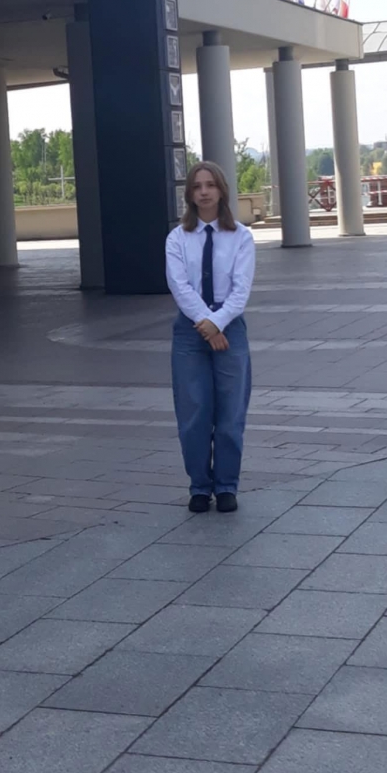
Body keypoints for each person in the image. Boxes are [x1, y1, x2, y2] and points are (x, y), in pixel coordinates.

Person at [165, 160, 255, 513]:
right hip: (190, 330)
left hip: (230, 326)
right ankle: (200, 487)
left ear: (221, 190)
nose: (204, 192)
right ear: (189, 194)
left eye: (210, 185)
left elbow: (241, 290)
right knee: (194, 413)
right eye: (197, 186)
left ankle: (227, 485)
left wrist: (217, 323)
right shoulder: (177, 238)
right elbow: (179, 286)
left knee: (231, 413)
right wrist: (205, 323)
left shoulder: (241, 237)